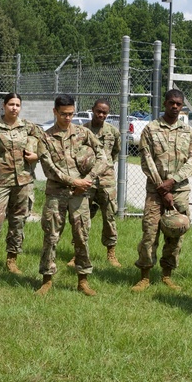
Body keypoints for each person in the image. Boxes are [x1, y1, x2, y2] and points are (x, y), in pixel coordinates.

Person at [35, 94, 108, 296]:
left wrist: (88, 179)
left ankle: (83, 280)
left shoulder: (83, 133)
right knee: (51, 236)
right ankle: (47, 280)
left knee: (81, 236)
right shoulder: (45, 137)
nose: (68, 118)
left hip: (80, 194)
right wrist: (73, 181)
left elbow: (103, 157)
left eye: (71, 114)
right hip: (56, 193)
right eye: (63, 114)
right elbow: (49, 169)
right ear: (55, 112)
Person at [132, 88, 192, 293]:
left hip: (179, 191)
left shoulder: (189, 132)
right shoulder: (151, 129)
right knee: (150, 233)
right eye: (172, 103)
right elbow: (147, 160)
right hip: (155, 191)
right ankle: (144, 275)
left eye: (179, 104)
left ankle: (167, 274)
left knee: (176, 233)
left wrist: (173, 181)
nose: (175, 107)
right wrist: (162, 188)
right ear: (165, 103)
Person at [0, 92, 42, 276]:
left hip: (23, 182)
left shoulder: (28, 127)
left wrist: (37, 155)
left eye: (17, 105)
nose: (14, 108)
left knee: (18, 222)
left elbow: (47, 142)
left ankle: (12, 260)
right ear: (4, 106)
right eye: (11, 104)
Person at [83, 98, 122, 267]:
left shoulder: (112, 132)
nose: (101, 115)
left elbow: (115, 152)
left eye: (104, 112)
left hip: (106, 180)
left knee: (109, 216)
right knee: (83, 216)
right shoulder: (82, 130)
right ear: (92, 110)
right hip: (87, 180)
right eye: (98, 111)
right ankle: (79, 251)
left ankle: (111, 253)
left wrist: (105, 167)